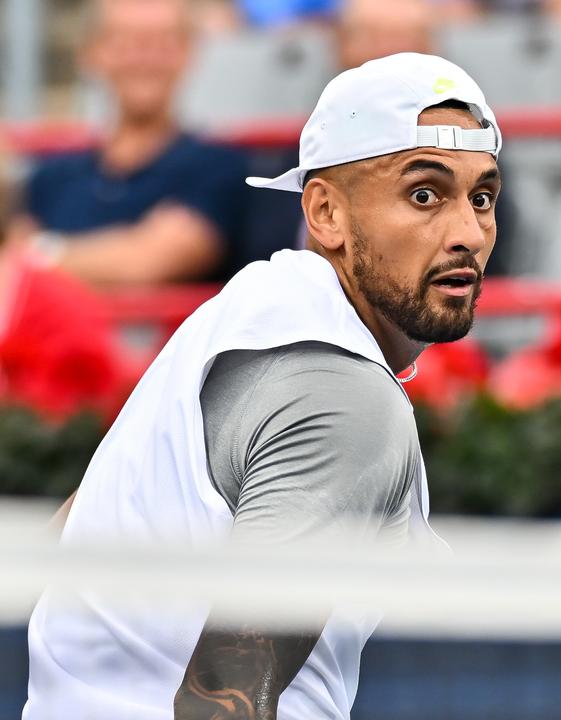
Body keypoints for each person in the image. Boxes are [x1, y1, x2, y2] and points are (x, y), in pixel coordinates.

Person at [24, 53, 503, 718]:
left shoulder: (238, 316)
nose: (468, 233)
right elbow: (219, 699)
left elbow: (67, 538)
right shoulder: (343, 398)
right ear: (326, 213)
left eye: (481, 197)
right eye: (424, 195)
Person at [20, 0, 250, 285]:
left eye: (162, 42)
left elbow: (151, 262)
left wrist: (42, 252)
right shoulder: (51, 177)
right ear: (90, 53)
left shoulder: (217, 166)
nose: (144, 57)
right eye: (125, 42)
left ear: (189, 52)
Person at [334, 0, 522, 274]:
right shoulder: (298, 151)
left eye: (407, 39)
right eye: (372, 36)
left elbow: (497, 257)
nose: (390, 53)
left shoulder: (476, 152)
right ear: (341, 47)